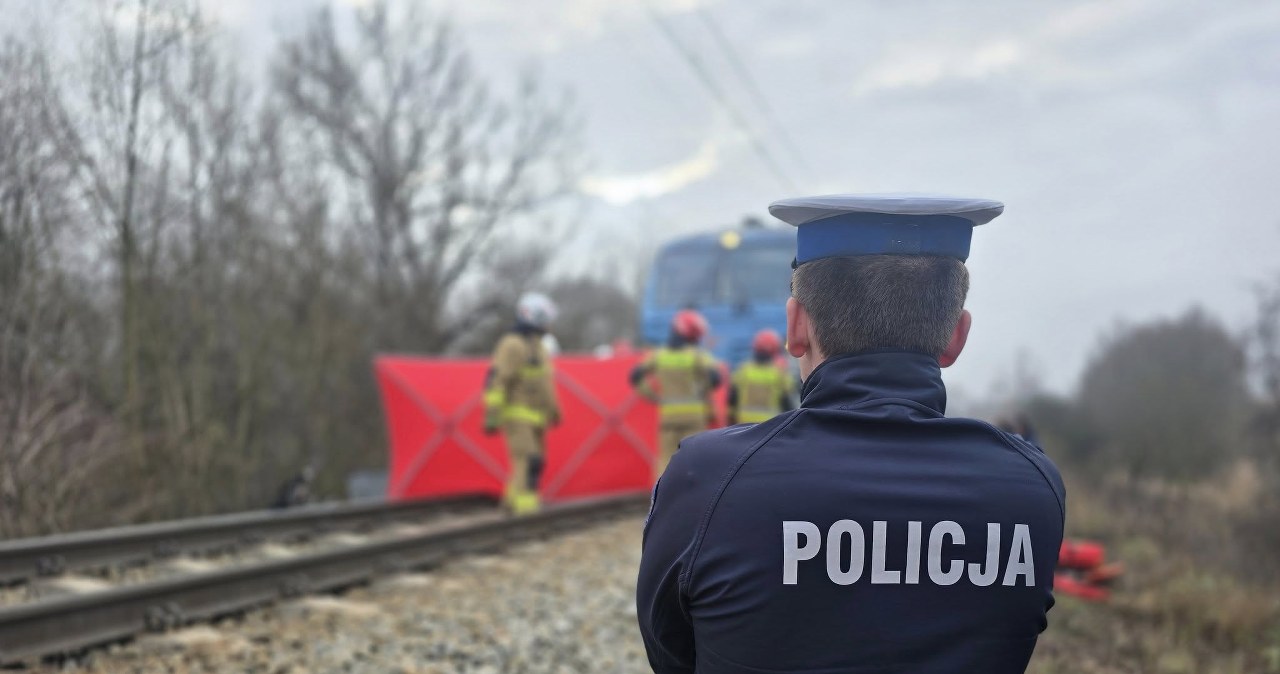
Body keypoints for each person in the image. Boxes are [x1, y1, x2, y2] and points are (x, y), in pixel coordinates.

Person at [637, 194, 1066, 673]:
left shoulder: (707, 479)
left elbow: (670, 652)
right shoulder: (1033, 491)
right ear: (955, 338)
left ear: (795, 326)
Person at [484, 292, 561, 515]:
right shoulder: (512, 344)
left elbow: (545, 382)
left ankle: (519, 507)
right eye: (546, 318)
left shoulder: (539, 346)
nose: (549, 324)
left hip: (536, 417)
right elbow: (498, 380)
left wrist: (554, 411)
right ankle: (520, 513)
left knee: (535, 463)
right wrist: (492, 413)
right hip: (517, 415)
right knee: (528, 459)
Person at [629, 309, 723, 480]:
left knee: (665, 460)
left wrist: (652, 395)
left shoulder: (659, 355)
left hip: (668, 417)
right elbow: (716, 378)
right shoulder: (697, 356)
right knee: (694, 458)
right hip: (694, 417)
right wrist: (702, 389)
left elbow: (634, 376)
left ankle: (661, 498)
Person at [728, 328, 794, 425]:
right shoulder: (780, 374)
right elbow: (787, 405)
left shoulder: (742, 371)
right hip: (769, 428)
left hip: (743, 426)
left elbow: (732, 400)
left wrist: (731, 422)